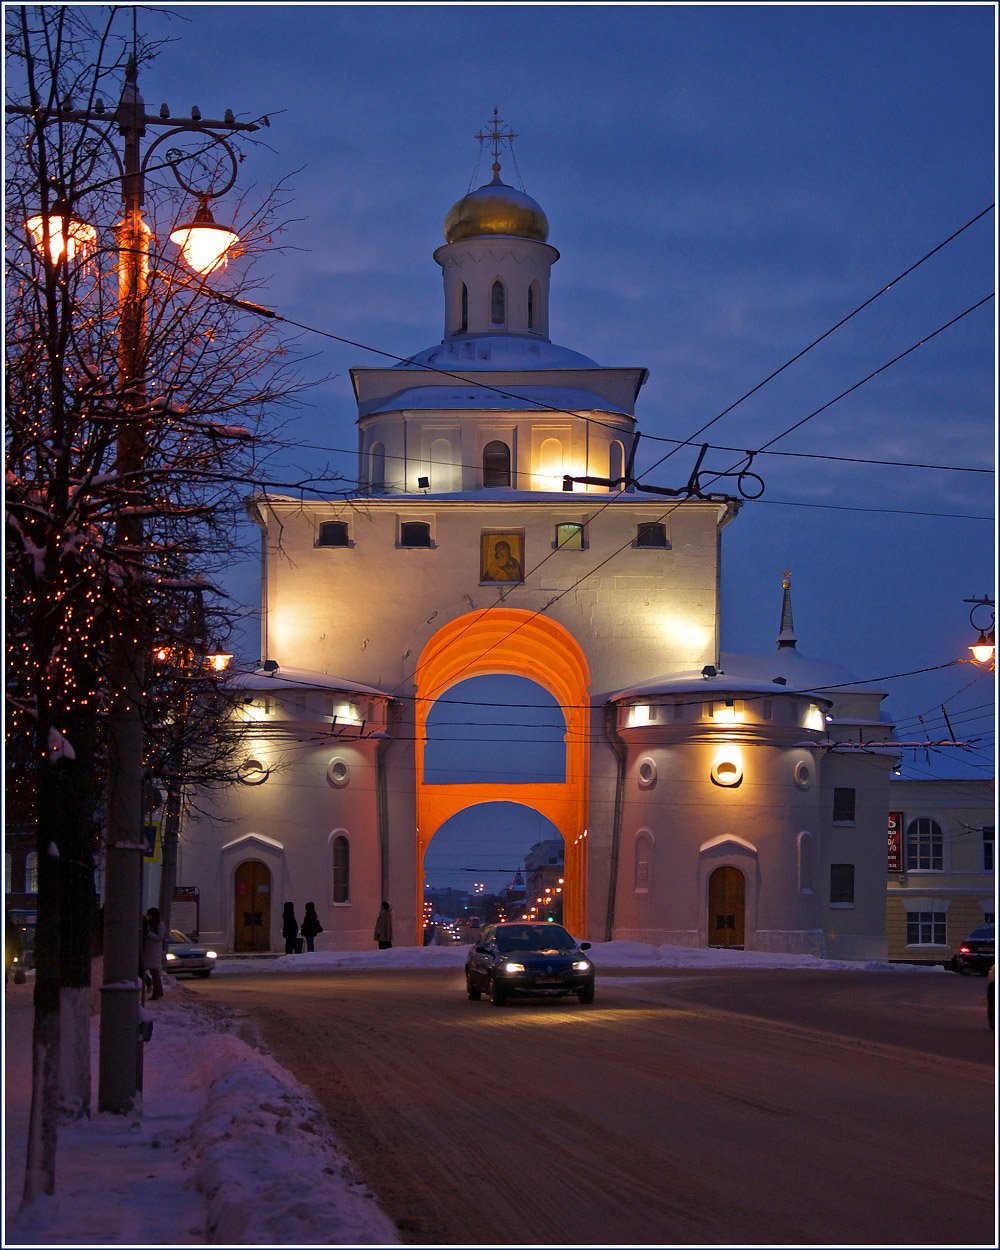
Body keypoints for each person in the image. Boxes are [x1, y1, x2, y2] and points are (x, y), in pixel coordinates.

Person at [142, 907, 167, 1000]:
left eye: (150, 915)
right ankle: (158, 991)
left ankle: (157, 992)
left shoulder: (160, 924)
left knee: (155, 972)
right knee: (154, 972)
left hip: (155, 951)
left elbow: (159, 937)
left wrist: (148, 933)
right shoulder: (151, 923)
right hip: (150, 950)